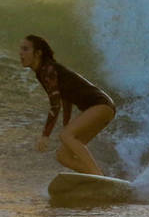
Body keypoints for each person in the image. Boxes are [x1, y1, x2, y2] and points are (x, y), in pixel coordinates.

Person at [19, 34, 116, 176]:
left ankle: (97, 174)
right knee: (63, 156)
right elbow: (66, 98)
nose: (20, 53)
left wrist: (45, 135)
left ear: (38, 53)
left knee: (65, 136)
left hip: (100, 105)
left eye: (25, 49)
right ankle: (98, 177)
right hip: (102, 108)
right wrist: (66, 123)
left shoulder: (47, 70)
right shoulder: (43, 71)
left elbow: (55, 105)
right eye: (20, 49)